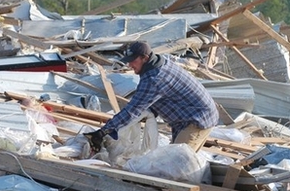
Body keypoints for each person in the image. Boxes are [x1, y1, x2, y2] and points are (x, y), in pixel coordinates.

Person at [84, 41, 219, 153]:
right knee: (177, 159)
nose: (129, 65)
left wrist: (102, 132)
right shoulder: (159, 62)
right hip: (189, 117)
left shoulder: (154, 79)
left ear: (145, 58)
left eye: (133, 61)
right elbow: (150, 103)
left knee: (175, 165)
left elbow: (132, 110)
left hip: (197, 120)